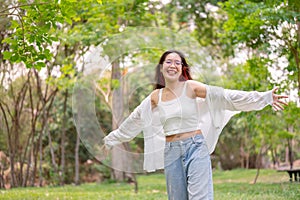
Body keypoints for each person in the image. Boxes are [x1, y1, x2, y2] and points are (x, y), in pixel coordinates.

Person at [104, 50, 288, 200]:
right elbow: (134, 120)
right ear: (161, 68)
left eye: (178, 62)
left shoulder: (191, 87)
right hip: (171, 152)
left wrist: (264, 98)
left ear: (182, 68)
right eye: (169, 62)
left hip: (195, 147)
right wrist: (112, 138)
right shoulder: (155, 97)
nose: (173, 65)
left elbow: (225, 96)